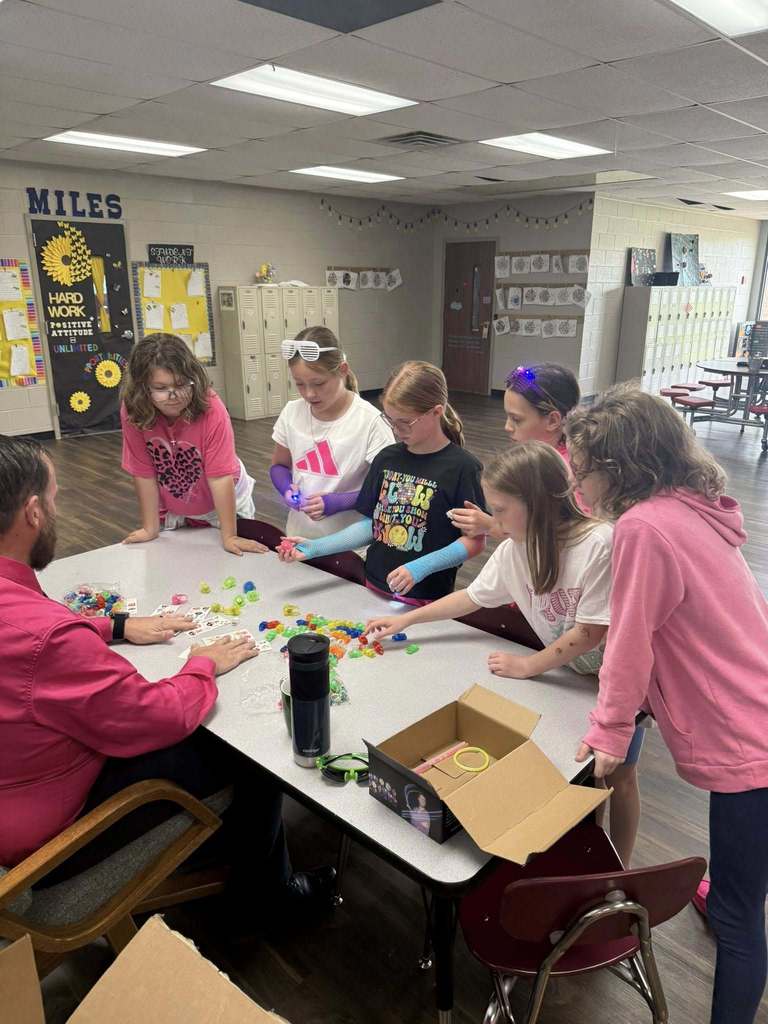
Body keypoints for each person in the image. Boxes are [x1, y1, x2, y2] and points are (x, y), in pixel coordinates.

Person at [0, 436, 332, 908]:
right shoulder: (49, 640)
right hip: (44, 852)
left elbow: (24, 637)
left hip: (19, 787)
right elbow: (155, 715)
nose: (57, 509)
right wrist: (203, 664)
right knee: (251, 756)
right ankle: (268, 896)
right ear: (32, 512)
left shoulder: (36, 627)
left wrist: (114, 624)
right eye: (55, 499)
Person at [565, 385, 768, 1024]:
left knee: (741, 917)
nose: (575, 478)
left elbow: (630, 642)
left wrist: (609, 730)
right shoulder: (693, 506)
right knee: (740, 885)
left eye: (580, 468)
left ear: (617, 470)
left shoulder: (644, 527)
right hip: (758, 709)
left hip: (750, 744)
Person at [366, 441, 643, 866]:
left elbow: (591, 632)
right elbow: (471, 599)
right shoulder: (517, 547)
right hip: (572, 682)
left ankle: (618, 868)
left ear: (538, 504)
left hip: (621, 688)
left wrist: (529, 665)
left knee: (619, 779)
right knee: (590, 782)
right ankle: (592, 857)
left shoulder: (598, 543)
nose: (491, 522)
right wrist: (408, 619)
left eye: (500, 510)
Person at [278, 361, 485, 604]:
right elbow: (372, 525)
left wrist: (420, 568)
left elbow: (474, 541)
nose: (397, 431)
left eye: (405, 422)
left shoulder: (463, 467)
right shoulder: (387, 458)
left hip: (427, 597)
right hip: (373, 584)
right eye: (390, 420)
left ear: (436, 412)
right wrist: (315, 547)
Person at [120, 333, 265, 556]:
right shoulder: (133, 411)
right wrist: (151, 528)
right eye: (160, 388)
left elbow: (219, 476)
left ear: (193, 378)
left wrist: (229, 535)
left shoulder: (212, 409)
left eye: (181, 384)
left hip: (224, 502)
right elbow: (143, 472)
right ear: (142, 388)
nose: (173, 396)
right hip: (177, 502)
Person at [270, 327, 394, 539]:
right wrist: (286, 489)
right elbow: (279, 465)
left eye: (318, 383)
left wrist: (340, 502)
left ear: (343, 370)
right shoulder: (292, 413)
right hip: (300, 538)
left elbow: (389, 490)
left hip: (350, 545)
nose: (309, 393)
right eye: (300, 384)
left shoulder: (371, 422)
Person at [449, 362, 582, 538]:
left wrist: (490, 524)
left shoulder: (566, 474)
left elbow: (551, 538)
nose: (507, 427)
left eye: (516, 420)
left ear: (553, 420)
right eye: (507, 417)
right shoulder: (539, 462)